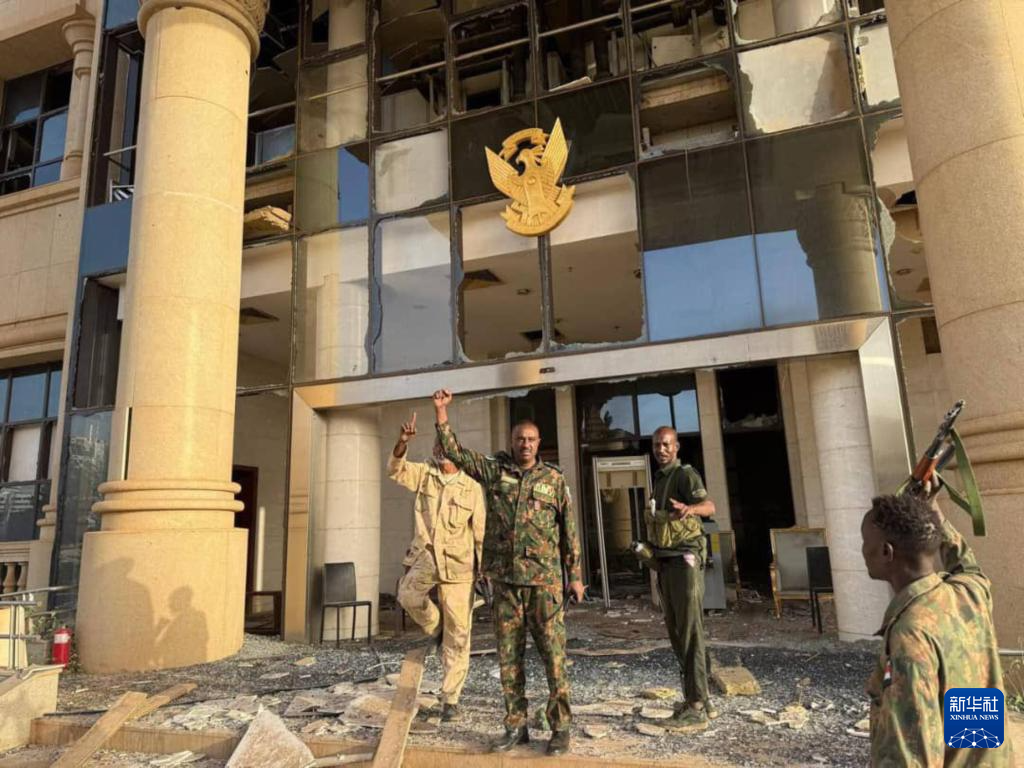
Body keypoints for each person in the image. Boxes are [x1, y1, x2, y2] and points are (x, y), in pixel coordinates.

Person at [432, 388, 585, 756]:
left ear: (539, 443)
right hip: (505, 585)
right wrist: (441, 413)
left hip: (544, 585)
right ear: (512, 442)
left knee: (554, 658)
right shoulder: (495, 470)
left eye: (531, 439)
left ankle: (560, 728)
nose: (525, 444)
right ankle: (516, 726)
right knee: (509, 660)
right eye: (520, 439)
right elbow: (455, 452)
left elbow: (569, 531)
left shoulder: (553, 480)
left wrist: (575, 576)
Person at [862, 493, 1013, 766]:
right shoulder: (969, 595)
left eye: (865, 541)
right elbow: (968, 566)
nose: (862, 550)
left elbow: (911, 752)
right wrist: (936, 514)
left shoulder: (911, 634)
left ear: (886, 552)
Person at [390, 412, 486, 722]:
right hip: (427, 557)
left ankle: (450, 698)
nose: (441, 451)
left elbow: (480, 532)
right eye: (437, 446)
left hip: (460, 565)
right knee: (407, 596)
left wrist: (485, 571)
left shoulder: (471, 487)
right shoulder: (424, 474)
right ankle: (436, 627)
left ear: (455, 450)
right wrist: (402, 443)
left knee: (459, 633)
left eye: (446, 446)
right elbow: (396, 470)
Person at [648, 426, 717, 731]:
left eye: (666, 445)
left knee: (689, 632)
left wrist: (691, 509)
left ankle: (696, 706)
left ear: (676, 447)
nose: (661, 450)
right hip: (667, 561)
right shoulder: (660, 479)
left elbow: (710, 506)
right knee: (679, 631)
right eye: (657, 445)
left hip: (685, 559)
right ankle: (701, 698)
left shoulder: (685, 475)